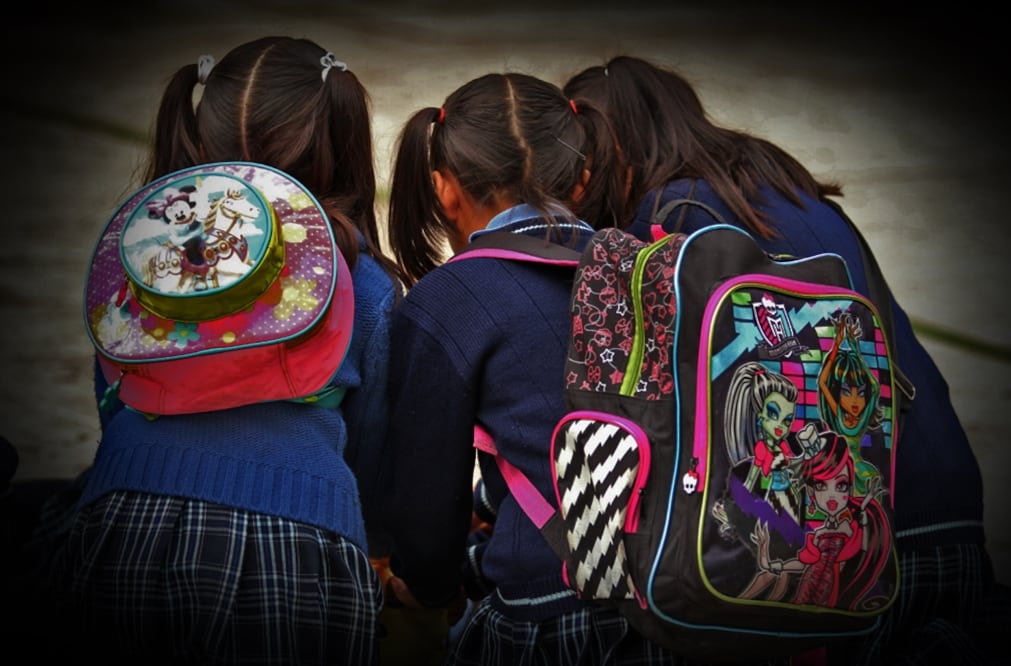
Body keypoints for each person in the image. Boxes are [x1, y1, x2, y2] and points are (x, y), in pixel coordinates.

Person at [563, 54, 1011, 664]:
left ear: (607, 151)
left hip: (836, 551)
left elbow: (664, 419)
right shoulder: (792, 188)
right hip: (941, 511)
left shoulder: (675, 224)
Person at [16, 36, 401, 665]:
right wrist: (380, 544)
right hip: (299, 541)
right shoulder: (362, 280)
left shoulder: (141, 260)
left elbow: (116, 394)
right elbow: (375, 443)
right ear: (339, 138)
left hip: (126, 515)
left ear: (199, 135)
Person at [365, 71, 730, 665]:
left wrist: (427, 585)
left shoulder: (450, 298)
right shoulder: (656, 273)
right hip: (693, 594)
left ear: (443, 189)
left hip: (556, 609)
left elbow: (427, 494)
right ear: (583, 179)